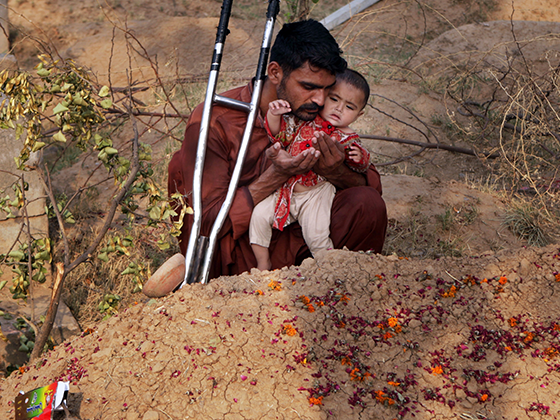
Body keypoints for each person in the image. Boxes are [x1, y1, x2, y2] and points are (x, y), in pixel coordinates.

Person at [143, 19, 387, 297]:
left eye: (327, 90)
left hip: (310, 239)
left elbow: (372, 188)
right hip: (246, 258)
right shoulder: (218, 119)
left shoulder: (317, 114)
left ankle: (333, 297)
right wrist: (276, 176)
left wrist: (336, 172)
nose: (320, 100)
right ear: (275, 72)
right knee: (180, 168)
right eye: (308, 86)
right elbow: (206, 222)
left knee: (367, 204)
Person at [250, 69, 371, 271]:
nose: (339, 109)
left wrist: (358, 158)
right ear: (324, 97)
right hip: (286, 188)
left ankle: (327, 267)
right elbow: (280, 134)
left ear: (359, 114)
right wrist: (273, 114)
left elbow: (362, 162)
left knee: (317, 232)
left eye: (349, 107)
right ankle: (263, 262)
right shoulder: (304, 121)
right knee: (259, 216)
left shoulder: (348, 137)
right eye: (334, 99)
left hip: (316, 192)